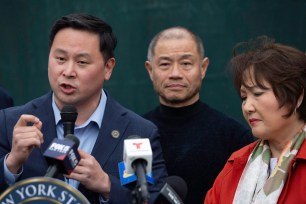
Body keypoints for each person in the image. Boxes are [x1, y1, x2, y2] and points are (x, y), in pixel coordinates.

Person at [0, 13, 167, 204]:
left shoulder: (139, 133)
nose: (68, 72)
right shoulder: (9, 123)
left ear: (108, 68)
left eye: (81, 62)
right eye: (60, 58)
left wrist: (106, 185)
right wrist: (11, 164)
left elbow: (154, 199)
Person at [143, 27, 254, 204]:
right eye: (165, 64)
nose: (175, 74)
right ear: (150, 70)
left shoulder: (234, 137)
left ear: (203, 68)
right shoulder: (134, 134)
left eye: (186, 64)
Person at [204, 36, 306, 203]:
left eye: (257, 94)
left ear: (297, 96)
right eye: (244, 97)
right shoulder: (236, 163)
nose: (247, 107)